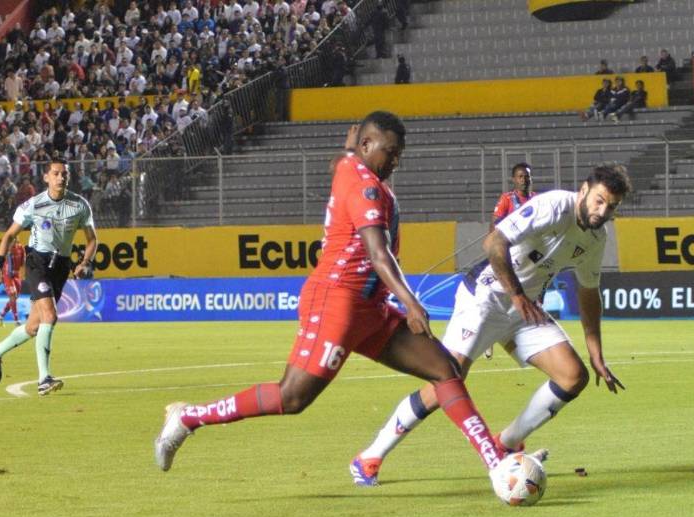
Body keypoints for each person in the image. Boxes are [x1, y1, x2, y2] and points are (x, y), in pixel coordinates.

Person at [154, 111, 505, 488]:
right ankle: (188, 418)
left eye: (399, 154)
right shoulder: (366, 186)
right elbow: (378, 254)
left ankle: (497, 464)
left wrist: (349, 150)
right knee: (292, 397)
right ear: (367, 145)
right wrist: (411, 303)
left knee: (445, 369)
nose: (395, 161)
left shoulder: (352, 167)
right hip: (337, 301)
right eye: (390, 152)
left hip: (370, 308)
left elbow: (339, 163)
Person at [350, 164, 631, 486]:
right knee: (447, 378)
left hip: (523, 310)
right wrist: (517, 295)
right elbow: (494, 243)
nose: (602, 211)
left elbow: (589, 292)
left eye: (611, 206)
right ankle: (369, 457)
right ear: (584, 190)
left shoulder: (596, 237)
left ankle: (506, 444)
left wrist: (596, 354)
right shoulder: (554, 206)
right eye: (599, 201)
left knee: (573, 376)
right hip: (484, 300)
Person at [0, 158, 97, 396]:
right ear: (46, 177)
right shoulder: (33, 205)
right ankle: (44, 379)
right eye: (56, 173)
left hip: (61, 266)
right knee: (50, 315)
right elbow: (9, 236)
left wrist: (84, 263)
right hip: (37, 262)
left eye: (64, 174)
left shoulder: (79, 205)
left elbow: (92, 240)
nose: (61, 177)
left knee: (34, 326)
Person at [483, 162, 535, 359]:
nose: (524, 180)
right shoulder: (507, 199)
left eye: (527, 176)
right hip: (508, 256)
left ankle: (524, 338)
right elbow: (495, 226)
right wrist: (495, 251)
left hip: (528, 256)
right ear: (514, 179)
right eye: (521, 176)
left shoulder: (537, 200)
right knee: (499, 295)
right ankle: (488, 338)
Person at [0, 235, 26, 326]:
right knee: (13, 295)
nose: (14, 239)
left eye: (14, 238)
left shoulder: (21, 248)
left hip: (17, 275)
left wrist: (24, 273)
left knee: (14, 298)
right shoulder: (6, 249)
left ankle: (0, 316)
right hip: (7, 275)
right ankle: (16, 320)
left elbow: (23, 262)